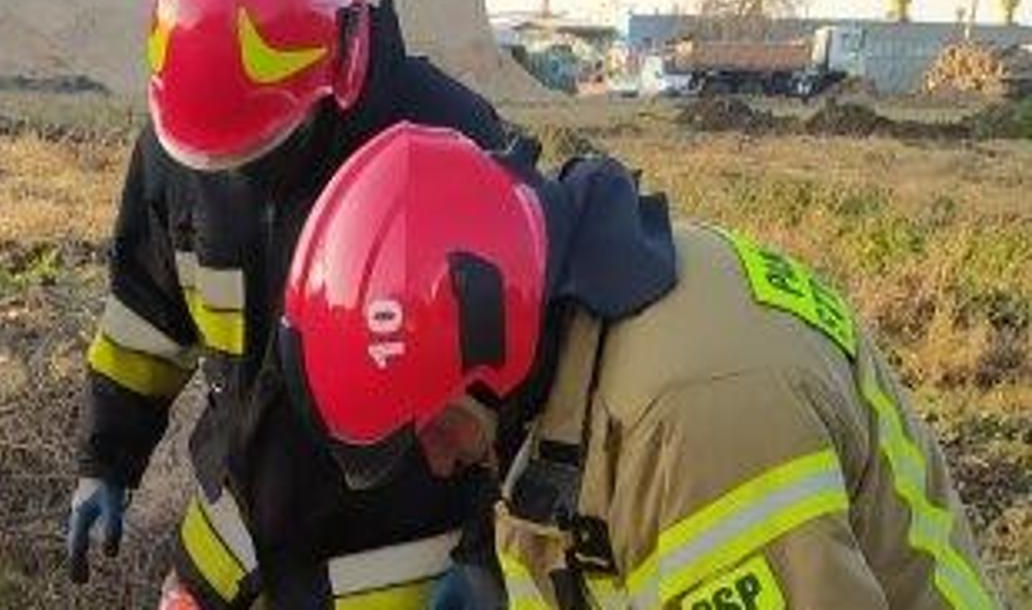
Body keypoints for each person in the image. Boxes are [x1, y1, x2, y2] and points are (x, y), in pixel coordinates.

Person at [274, 124, 1001, 609]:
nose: (435, 464)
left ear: (496, 354)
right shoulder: (572, 355)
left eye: (432, 427)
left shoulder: (691, 420)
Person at [65, 0, 511, 609]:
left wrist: (487, 563)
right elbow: (146, 318)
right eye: (214, 157)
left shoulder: (448, 144)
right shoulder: (183, 136)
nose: (234, 171)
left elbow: (516, 384)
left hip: (396, 571)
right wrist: (106, 459)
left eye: (263, 144)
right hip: (234, 553)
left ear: (338, 70)